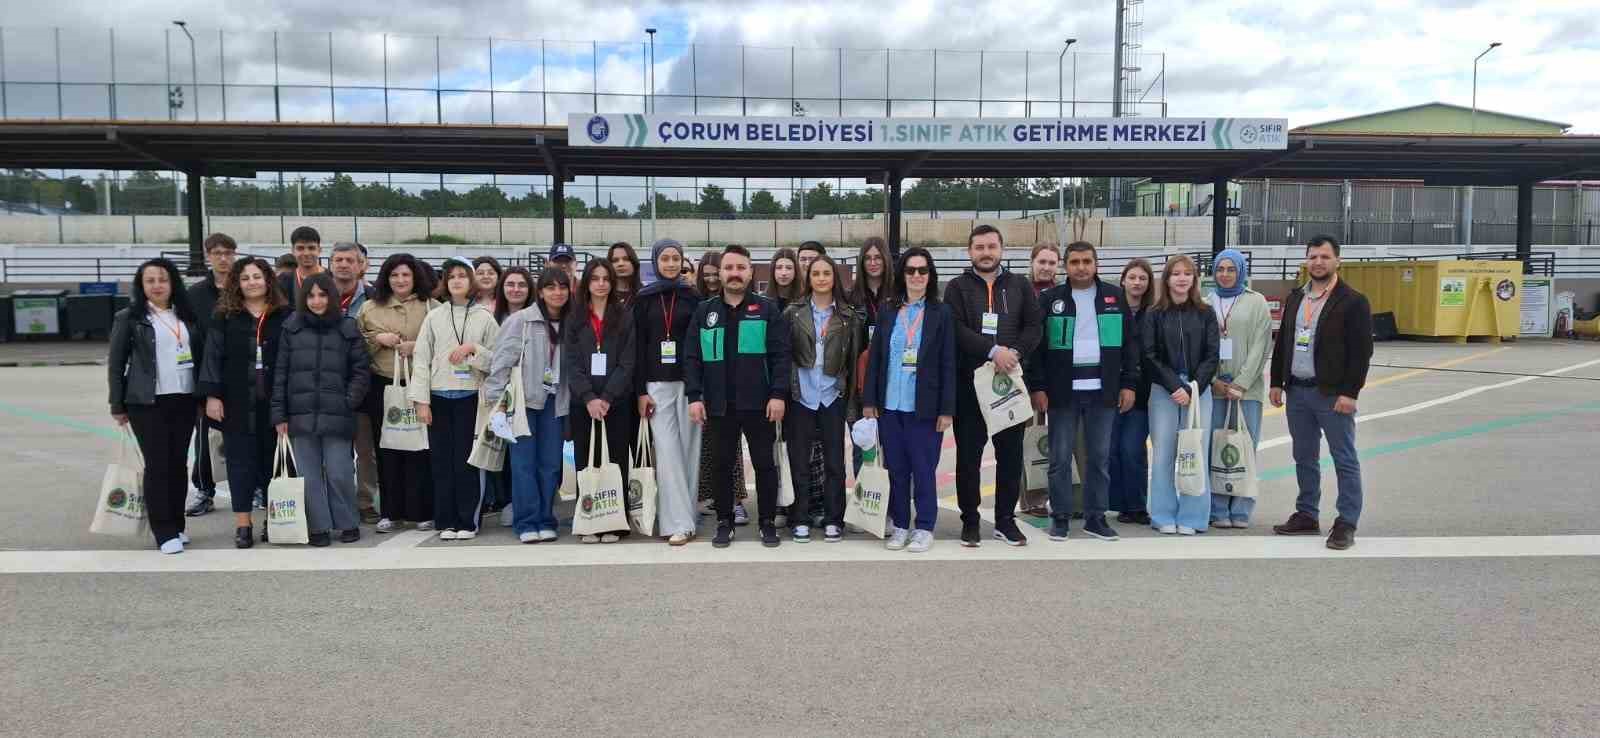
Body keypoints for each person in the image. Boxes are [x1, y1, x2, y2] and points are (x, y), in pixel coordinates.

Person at [1024, 241, 1138, 543]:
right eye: (1075, 262)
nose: (1081, 267)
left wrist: (1129, 384)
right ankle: (1060, 517)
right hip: (1062, 393)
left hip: (1103, 392)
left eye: (1087, 261)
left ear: (1096, 264)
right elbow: (1037, 349)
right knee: (1060, 459)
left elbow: (1130, 345)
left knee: (1099, 458)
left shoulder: (1114, 296)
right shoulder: (1051, 299)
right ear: (1065, 266)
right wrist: (1038, 387)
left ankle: (1095, 518)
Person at [684, 244, 792, 548]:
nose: (735, 273)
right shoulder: (705, 312)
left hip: (759, 404)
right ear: (719, 273)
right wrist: (694, 396)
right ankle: (724, 522)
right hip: (718, 405)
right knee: (721, 465)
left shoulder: (767, 310)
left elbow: (781, 356)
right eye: (729, 268)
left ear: (750, 272)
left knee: (764, 464)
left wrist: (778, 395)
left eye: (740, 268)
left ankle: (767, 522)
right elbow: (692, 357)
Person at [1270, 236, 1373, 551]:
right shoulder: (1296, 297)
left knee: (1344, 458)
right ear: (1306, 260)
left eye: (1325, 257)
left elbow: (1361, 352)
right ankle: (1307, 514)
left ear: (1337, 260)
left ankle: (1346, 522)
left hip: (1332, 394)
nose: (1318, 262)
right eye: (1313, 256)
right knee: (1304, 456)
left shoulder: (1353, 301)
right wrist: (1276, 382)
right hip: (1297, 391)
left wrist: (1350, 392)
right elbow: (1284, 342)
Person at [945, 224, 1043, 547]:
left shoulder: (1019, 285)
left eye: (991, 246)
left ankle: (1005, 521)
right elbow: (956, 328)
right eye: (979, 247)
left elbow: (1034, 327)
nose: (986, 253)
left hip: (1008, 385)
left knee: (1010, 457)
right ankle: (970, 522)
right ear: (969, 252)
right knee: (968, 459)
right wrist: (992, 351)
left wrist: (1014, 353)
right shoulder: (957, 288)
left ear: (1002, 249)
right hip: (969, 386)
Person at [108, 258, 205, 554]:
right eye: (150, 280)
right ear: (141, 285)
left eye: (163, 279)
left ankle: (177, 525)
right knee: (158, 465)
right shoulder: (130, 317)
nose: (157, 285)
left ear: (173, 283)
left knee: (178, 464)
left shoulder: (186, 315)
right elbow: (116, 363)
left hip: (184, 399)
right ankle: (163, 531)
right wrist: (117, 403)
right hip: (147, 402)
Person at [861, 247, 955, 553]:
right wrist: (869, 400)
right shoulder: (889, 311)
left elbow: (948, 363)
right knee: (897, 471)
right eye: (910, 270)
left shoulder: (941, 313)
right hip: (890, 406)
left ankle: (924, 527)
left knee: (924, 470)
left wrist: (946, 409)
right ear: (902, 275)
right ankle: (901, 525)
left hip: (924, 408)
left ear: (930, 275)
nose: (916, 275)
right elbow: (876, 359)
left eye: (922, 270)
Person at [272, 273, 371, 547]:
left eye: (323, 295)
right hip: (300, 415)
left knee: (340, 471)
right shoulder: (291, 328)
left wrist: (348, 400)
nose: (317, 301)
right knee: (309, 475)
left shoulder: (347, 327)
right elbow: (280, 374)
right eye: (311, 295)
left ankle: (348, 522)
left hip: (337, 414)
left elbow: (361, 371)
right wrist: (279, 414)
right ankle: (318, 526)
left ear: (332, 297)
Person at [199, 256, 290, 548]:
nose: (252, 283)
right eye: (245, 278)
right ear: (237, 284)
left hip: (274, 403)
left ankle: (272, 520)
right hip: (236, 403)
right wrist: (212, 395)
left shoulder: (284, 315)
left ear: (268, 280)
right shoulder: (225, 316)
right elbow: (212, 356)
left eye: (257, 277)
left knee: (272, 464)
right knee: (240, 464)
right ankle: (243, 524)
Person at [410, 258, 500, 541]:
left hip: (470, 397)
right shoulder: (434, 316)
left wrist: (473, 350)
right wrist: (421, 401)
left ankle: (468, 521)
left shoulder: (484, 317)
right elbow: (421, 359)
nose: (457, 281)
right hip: (438, 396)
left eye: (462, 275)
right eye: (451, 277)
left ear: (471, 281)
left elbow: (497, 359)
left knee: (467, 462)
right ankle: (446, 520)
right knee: (441, 463)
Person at [484, 267, 572, 543]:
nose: (557, 293)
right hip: (523, 403)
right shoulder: (521, 320)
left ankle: (546, 519)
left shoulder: (572, 321)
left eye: (562, 287)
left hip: (556, 402)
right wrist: (496, 403)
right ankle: (526, 522)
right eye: (551, 287)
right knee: (523, 465)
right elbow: (501, 362)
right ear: (541, 292)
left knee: (550, 464)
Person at [781, 253, 861, 543]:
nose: (821, 278)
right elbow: (784, 356)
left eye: (826, 273)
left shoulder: (848, 316)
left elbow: (853, 361)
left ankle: (833, 519)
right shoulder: (793, 313)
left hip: (832, 396)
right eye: (816, 274)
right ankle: (799, 518)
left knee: (834, 463)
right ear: (808, 278)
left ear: (834, 278)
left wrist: (851, 400)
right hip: (801, 396)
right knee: (799, 461)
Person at [356, 253, 438, 534]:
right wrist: (376, 339)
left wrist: (417, 346)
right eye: (394, 275)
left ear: (415, 277)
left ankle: (422, 510)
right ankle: (390, 511)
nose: (400, 280)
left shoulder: (432, 307)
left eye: (405, 274)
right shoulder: (369, 308)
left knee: (421, 448)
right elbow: (355, 344)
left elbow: (443, 344)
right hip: (383, 385)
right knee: (387, 448)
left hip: (421, 385)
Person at [633, 239, 704, 545]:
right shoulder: (643, 299)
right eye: (665, 258)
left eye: (676, 258)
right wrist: (640, 391)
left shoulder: (694, 298)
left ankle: (686, 518)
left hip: (689, 385)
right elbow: (637, 347)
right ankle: (676, 523)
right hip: (656, 385)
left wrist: (698, 390)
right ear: (655, 262)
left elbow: (700, 345)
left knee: (689, 452)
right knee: (666, 453)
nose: (672, 264)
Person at [1143, 254, 1220, 536]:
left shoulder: (1205, 312)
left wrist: (1193, 387)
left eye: (1187, 273)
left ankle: (1193, 517)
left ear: (1194, 279)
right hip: (1163, 391)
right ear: (1167, 279)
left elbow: (1212, 355)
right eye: (1176, 273)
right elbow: (1149, 355)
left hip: (1199, 392)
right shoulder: (1154, 313)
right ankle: (1162, 514)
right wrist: (1174, 385)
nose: (1182, 278)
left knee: (1195, 452)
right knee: (1163, 454)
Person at [564, 258, 638, 543]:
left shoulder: (624, 316)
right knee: (586, 463)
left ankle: (616, 523)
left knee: (617, 461)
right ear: (587, 282)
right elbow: (572, 363)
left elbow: (627, 362)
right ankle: (590, 522)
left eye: (606, 278)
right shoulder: (575, 317)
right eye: (595, 278)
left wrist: (606, 397)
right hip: (583, 404)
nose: (601, 283)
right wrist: (589, 398)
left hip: (616, 402)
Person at [1207, 249, 1273, 530]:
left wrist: (1242, 382)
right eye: (1220, 269)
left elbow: (1262, 344)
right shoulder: (1206, 302)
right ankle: (1218, 507)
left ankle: (1242, 508)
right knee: (1216, 447)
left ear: (1241, 271)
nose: (1225, 274)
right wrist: (1214, 380)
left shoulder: (1256, 302)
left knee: (1245, 447)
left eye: (1231, 269)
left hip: (1247, 391)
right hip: (1215, 389)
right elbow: (1200, 347)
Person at [692, 250, 749, 522]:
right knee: (709, 450)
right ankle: (709, 497)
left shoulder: (739, 304)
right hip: (704, 385)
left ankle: (735, 500)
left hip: (732, 389)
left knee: (731, 449)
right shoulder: (699, 305)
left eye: (717, 273)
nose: (713, 279)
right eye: (708, 275)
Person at [184, 232, 237, 517]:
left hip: (240, 376)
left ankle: (254, 486)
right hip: (206, 376)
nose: (223, 258)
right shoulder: (194, 295)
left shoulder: (245, 288)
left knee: (245, 435)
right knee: (205, 437)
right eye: (217, 253)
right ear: (208, 256)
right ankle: (205, 490)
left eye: (228, 253)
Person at [330, 242, 380, 523]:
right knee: (333, 451)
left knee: (365, 451)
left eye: (350, 260)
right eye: (338, 259)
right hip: (328, 384)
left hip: (364, 384)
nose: (344, 265)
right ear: (330, 264)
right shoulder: (318, 295)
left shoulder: (375, 297)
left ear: (361, 265)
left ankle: (365, 501)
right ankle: (336, 503)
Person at [480, 265, 533, 515]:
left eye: (522, 285)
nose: (516, 289)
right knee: (495, 448)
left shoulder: (536, 317)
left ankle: (516, 502)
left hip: (526, 394)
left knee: (520, 451)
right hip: (495, 391)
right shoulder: (490, 318)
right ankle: (498, 500)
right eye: (510, 284)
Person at [1109, 259, 1155, 525]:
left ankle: (1137, 505)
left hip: (1143, 393)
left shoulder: (1154, 313)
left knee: (1132, 448)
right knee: (1112, 449)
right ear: (1123, 280)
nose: (1137, 282)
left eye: (1143, 278)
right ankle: (1120, 504)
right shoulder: (1111, 309)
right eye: (1133, 277)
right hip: (1111, 391)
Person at [847, 236, 893, 476]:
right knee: (863, 450)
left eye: (877, 257)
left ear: (885, 260)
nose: (873, 263)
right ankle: (865, 498)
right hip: (859, 384)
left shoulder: (898, 295)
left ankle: (895, 498)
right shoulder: (850, 297)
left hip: (891, 381)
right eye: (868, 258)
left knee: (893, 449)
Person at [279, 226, 324, 299]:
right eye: (300, 248)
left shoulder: (331, 278)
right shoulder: (282, 281)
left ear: (319, 250)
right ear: (293, 251)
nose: (306, 253)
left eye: (311, 248)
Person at [608, 242, 643, 306]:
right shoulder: (603, 294)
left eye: (626, 259)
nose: (621, 264)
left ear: (634, 263)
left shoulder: (645, 294)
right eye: (615, 260)